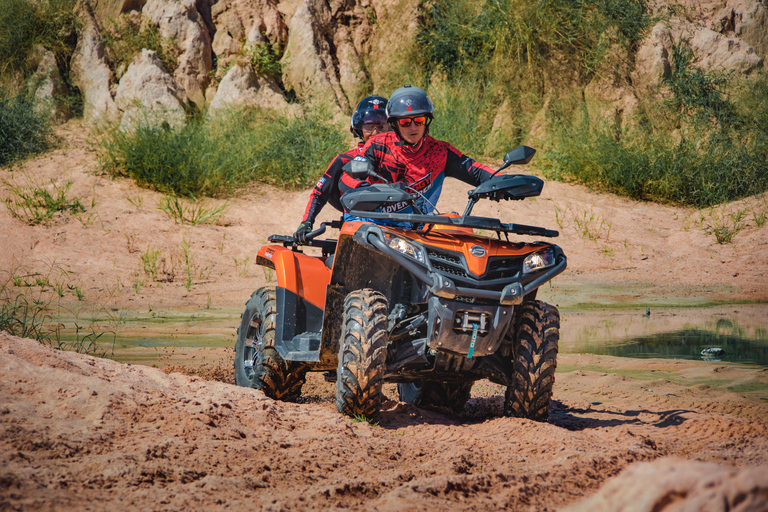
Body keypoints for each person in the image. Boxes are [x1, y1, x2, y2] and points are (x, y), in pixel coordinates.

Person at [340, 85, 496, 218]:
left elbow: (476, 171)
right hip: (376, 221)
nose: (413, 127)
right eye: (406, 122)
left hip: (419, 227)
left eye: (419, 120)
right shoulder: (378, 145)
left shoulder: (440, 151)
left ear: (426, 121)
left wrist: (502, 182)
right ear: (394, 124)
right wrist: (369, 191)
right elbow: (347, 179)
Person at [293, 95, 389, 243]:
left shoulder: (403, 160)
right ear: (358, 129)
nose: (376, 133)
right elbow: (319, 194)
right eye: (369, 127)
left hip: (397, 233)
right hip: (356, 234)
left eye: (382, 126)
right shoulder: (344, 160)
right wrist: (306, 223)